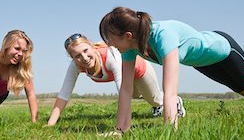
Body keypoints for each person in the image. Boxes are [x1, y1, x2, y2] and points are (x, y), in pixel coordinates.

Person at [99, 6, 244, 133]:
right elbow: (125, 89)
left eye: (110, 37)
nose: (108, 43)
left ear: (127, 34)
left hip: (222, 49)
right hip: (202, 62)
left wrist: (170, 133)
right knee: (239, 88)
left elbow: (170, 92)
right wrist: (120, 130)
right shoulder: (129, 48)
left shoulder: (163, 36)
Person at [47, 33, 185, 126]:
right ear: (72, 58)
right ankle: (157, 106)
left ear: (91, 45)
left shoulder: (110, 55)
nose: (83, 58)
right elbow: (64, 94)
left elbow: (122, 89)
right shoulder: (76, 66)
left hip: (140, 71)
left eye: (85, 50)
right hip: (127, 80)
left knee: (154, 99)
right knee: (134, 95)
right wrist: (50, 124)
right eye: (77, 56)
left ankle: (172, 102)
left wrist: (122, 127)